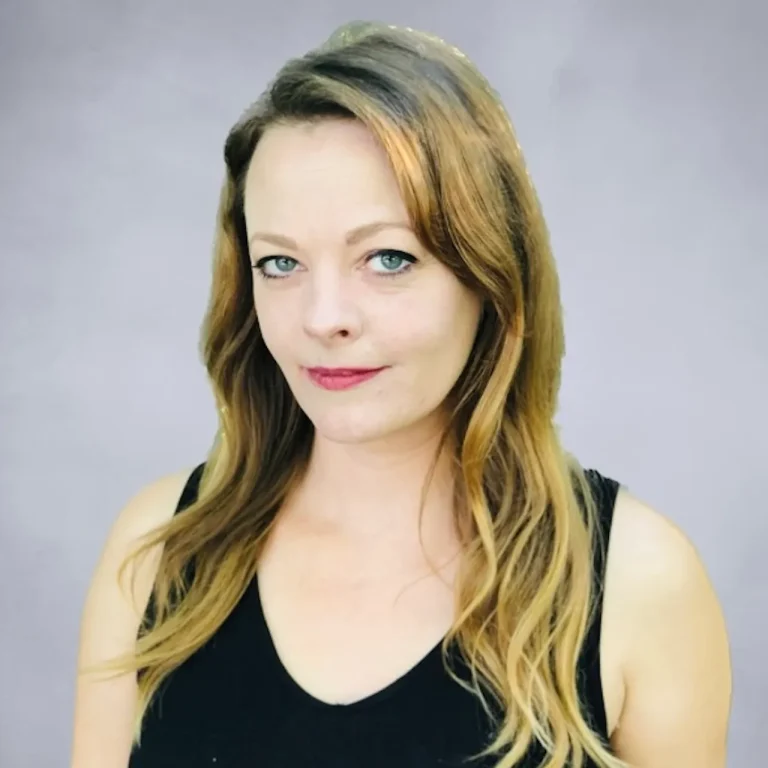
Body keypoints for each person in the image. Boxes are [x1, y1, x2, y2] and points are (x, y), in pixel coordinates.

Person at [70, 21, 732, 768]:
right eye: (280, 263)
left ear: (491, 277)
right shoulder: (158, 549)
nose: (323, 318)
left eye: (387, 258)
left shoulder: (639, 583)